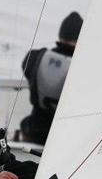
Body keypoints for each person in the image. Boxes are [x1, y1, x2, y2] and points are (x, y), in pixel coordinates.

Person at [19, 11, 82, 145]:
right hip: (66, 137)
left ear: (61, 35)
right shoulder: (83, 65)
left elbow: (28, 71)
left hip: (36, 133)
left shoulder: (34, 57)